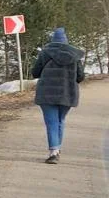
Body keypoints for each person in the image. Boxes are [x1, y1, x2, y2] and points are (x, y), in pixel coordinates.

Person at [31, 27, 85, 164]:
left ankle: (54, 152)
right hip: (67, 93)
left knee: (51, 122)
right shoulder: (74, 55)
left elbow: (35, 72)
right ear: (66, 41)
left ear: (53, 40)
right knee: (60, 121)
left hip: (47, 93)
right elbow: (80, 77)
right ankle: (57, 150)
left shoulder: (45, 53)